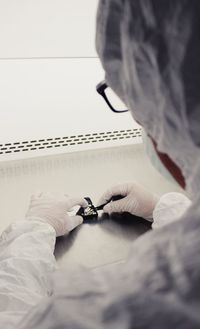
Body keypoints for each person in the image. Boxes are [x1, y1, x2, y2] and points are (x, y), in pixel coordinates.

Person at [1, 0, 200, 328]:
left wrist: (32, 230)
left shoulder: (125, 312)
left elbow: (14, 320)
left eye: (134, 99)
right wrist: (165, 208)